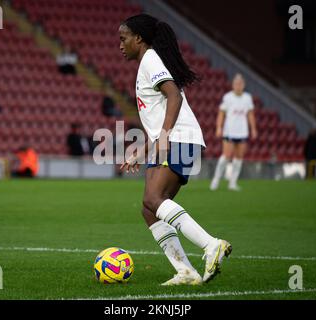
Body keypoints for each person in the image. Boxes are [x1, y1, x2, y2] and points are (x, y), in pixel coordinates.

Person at [118, 14, 232, 286]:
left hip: (179, 139)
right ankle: (185, 271)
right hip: (173, 139)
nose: (120, 45)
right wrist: (143, 150)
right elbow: (158, 117)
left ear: (139, 38)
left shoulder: (151, 59)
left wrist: (166, 136)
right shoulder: (148, 62)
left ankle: (211, 244)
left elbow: (174, 95)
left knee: (154, 198)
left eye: (123, 39)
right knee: (149, 208)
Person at [210, 74, 258, 191]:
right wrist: (219, 127)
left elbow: (250, 114)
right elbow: (221, 113)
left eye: (240, 84)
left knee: (239, 157)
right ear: (233, 85)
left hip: (242, 132)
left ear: (243, 85)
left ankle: (233, 182)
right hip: (229, 131)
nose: (238, 86)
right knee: (226, 156)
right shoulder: (228, 97)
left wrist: (253, 128)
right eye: (236, 84)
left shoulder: (247, 97)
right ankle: (216, 180)